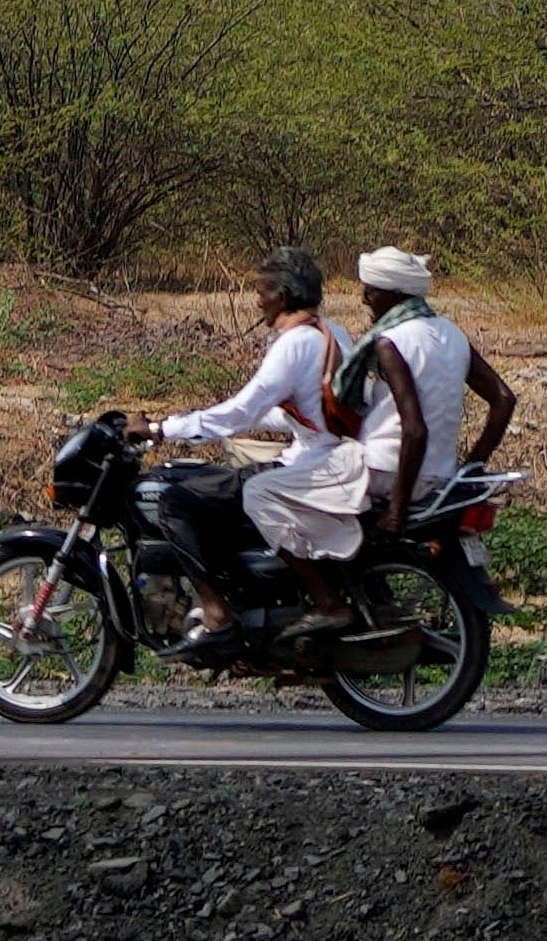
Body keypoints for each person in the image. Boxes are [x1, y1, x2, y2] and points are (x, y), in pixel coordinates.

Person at [250, 242, 514, 580]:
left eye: (371, 292)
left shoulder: (390, 342)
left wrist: (396, 511)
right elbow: (504, 400)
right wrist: (470, 469)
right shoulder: (452, 334)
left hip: (383, 472)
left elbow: (415, 430)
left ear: (395, 295)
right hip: (438, 477)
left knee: (261, 490)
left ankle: (325, 597)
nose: (364, 299)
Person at [144, 248, 340, 664]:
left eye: (261, 291)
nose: (257, 301)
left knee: (176, 501)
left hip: (308, 468)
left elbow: (239, 412)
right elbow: (309, 413)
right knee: (224, 485)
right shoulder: (332, 333)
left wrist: (163, 429)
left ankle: (217, 615)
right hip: (326, 458)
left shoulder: (293, 345)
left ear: (283, 296)